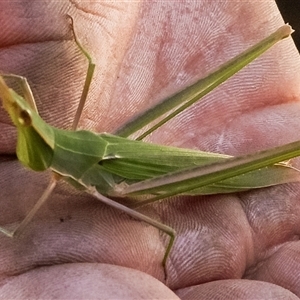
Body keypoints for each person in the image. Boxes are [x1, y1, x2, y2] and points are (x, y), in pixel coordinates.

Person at [0, 1, 300, 299]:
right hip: (106, 151)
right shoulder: (55, 147)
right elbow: (28, 82)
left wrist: (12, 231)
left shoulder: (59, 167)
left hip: (143, 180)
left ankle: (269, 153)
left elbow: (168, 231)